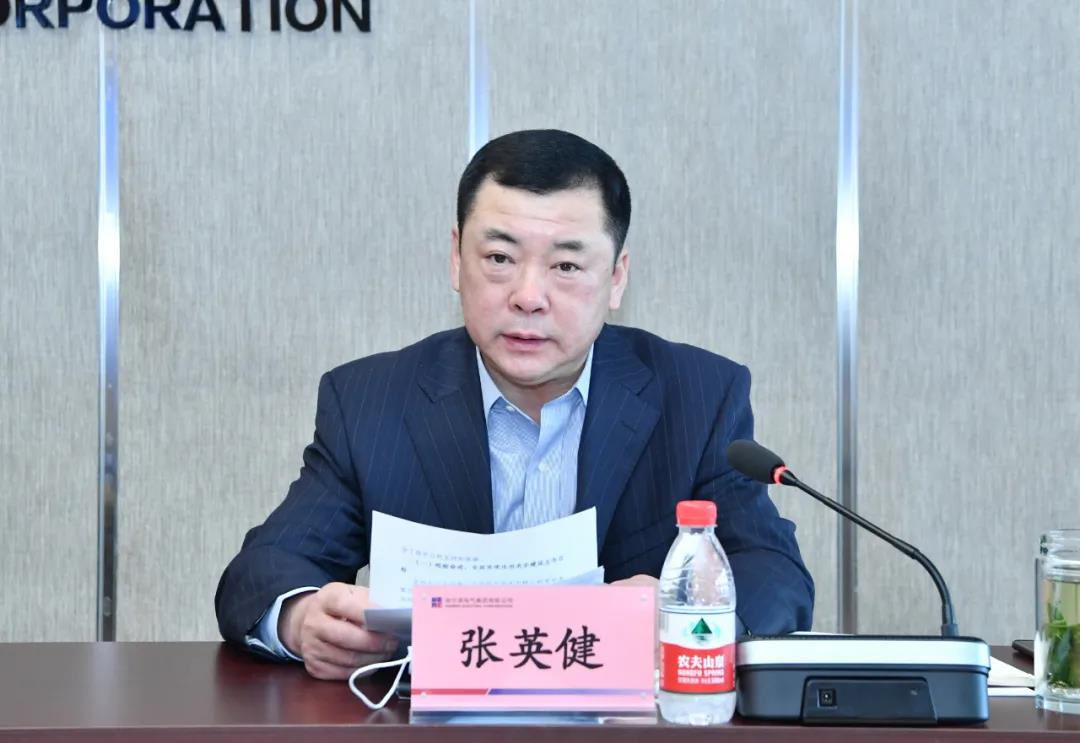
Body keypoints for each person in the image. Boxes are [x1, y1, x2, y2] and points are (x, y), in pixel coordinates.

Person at [215, 129, 814, 680]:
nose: (529, 296)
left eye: (566, 265)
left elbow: (773, 574)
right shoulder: (371, 401)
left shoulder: (697, 396)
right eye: (500, 258)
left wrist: (681, 615)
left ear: (616, 278)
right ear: (457, 258)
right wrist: (301, 620)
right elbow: (264, 570)